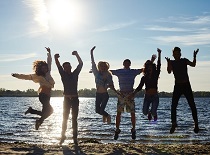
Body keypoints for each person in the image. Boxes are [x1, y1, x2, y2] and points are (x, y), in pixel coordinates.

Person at [11, 47, 55, 130]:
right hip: (43, 96)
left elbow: (49, 62)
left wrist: (49, 53)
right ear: (40, 69)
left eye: (46, 67)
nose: (45, 68)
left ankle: (33, 114)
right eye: (43, 68)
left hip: (48, 96)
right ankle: (37, 119)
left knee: (45, 112)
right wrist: (16, 75)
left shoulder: (48, 73)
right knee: (50, 111)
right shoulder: (37, 76)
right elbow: (26, 77)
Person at [165, 47, 199, 134]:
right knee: (173, 105)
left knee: (192, 104)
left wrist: (194, 56)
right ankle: (174, 123)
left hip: (186, 85)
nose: (176, 55)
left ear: (180, 54)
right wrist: (168, 63)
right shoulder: (172, 62)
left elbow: (193, 64)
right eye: (175, 54)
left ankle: (196, 124)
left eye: (178, 54)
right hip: (178, 86)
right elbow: (169, 71)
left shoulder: (184, 60)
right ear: (173, 55)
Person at [54, 50, 83, 145]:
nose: (66, 68)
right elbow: (58, 66)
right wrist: (55, 58)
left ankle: (75, 137)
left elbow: (81, 64)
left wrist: (77, 55)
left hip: (75, 99)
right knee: (65, 118)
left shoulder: (75, 74)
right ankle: (63, 136)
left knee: (74, 118)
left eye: (68, 66)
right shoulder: (63, 74)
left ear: (71, 67)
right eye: (65, 67)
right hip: (66, 100)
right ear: (64, 68)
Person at [110, 59, 142, 140]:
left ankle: (133, 129)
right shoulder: (119, 71)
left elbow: (144, 69)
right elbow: (109, 71)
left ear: (130, 64)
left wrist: (152, 61)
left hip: (130, 94)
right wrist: (97, 71)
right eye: (125, 63)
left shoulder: (133, 71)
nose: (127, 64)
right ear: (123, 63)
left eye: (128, 63)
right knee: (118, 113)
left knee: (132, 113)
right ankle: (117, 129)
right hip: (121, 94)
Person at [90, 46, 121, 124]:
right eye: (101, 66)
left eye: (104, 66)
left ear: (106, 67)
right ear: (99, 67)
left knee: (101, 110)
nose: (103, 67)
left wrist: (117, 92)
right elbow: (93, 63)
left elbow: (111, 85)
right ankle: (105, 115)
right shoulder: (96, 73)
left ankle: (107, 116)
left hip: (104, 94)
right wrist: (91, 52)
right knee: (97, 110)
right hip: (98, 94)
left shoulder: (108, 75)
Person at [132, 48, 161, 122]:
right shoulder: (144, 78)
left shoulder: (156, 75)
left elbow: (159, 65)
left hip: (155, 96)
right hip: (147, 96)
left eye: (151, 67)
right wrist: (134, 93)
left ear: (153, 68)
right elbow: (139, 87)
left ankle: (154, 114)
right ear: (147, 69)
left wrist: (159, 54)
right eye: (148, 68)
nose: (150, 69)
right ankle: (149, 113)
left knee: (154, 112)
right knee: (144, 112)